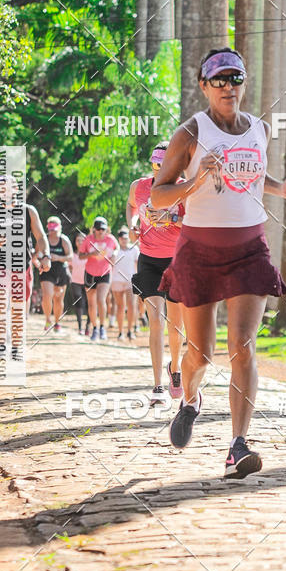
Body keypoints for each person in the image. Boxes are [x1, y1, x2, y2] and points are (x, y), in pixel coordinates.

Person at [151, 47, 286, 477]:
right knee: (199, 355)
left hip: (248, 248)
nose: (228, 87)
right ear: (203, 86)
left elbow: (255, 180)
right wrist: (196, 179)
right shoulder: (189, 132)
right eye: (218, 80)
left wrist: (284, 189)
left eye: (235, 78)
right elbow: (158, 194)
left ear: (243, 84)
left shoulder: (258, 128)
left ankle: (238, 445)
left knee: (243, 345)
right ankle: (190, 398)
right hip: (199, 251)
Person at [127, 142, 185, 405]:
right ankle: (157, 386)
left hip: (176, 261)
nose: (158, 170)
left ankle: (176, 368)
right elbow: (131, 207)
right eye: (155, 165)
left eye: (164, 166)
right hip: (148, 260)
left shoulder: (184, 189)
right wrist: (131, 226)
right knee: (156, 322)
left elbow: (197, 221)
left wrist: (171, 220)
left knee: (175, 326)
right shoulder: (139, 187)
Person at [0, 176, 51, 355]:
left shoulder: (28, 211)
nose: (3, 191)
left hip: (22, 266)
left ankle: (16, 347)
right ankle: (2, 345)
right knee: (1, 305)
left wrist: (46, 256)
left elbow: (40, 237)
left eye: (7, 187)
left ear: (16, 189)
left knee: (18, 306)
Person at [79, 216, 117, 341]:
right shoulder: (88, 240)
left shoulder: (111, 239)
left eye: (103, 229)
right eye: (98, 229)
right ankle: (94, 327)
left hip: (105, 273)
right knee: (91, 303)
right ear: (94, 229)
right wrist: (91, 254)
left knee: (101, 300)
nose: (101, 231)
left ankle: (102, 327)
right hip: (90, 273)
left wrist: (114, 256)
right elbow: (80, 255)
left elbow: (116, 250)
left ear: (107, 230)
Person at [39, 216, 72, 333]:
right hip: (47, 271)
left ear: (60, 228)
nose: (52, 230)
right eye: (50, 227)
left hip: (61, 271)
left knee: (58, 299)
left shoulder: (64, 240)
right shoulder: (44, 240)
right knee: (47, 295)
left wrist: (58, 257)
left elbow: (70, 257)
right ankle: (48, 319)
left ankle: (57, 322)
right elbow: (36, 254)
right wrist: (39, 262)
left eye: (55, 227)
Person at [111, 227, 139, 341]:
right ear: (119, 239)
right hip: (117, 280)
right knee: (120, 307)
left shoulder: (134, 249)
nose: (124, 240)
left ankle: (130, 330)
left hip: (130, 280)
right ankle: (120, 331)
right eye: (122, 238)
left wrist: (139, 279)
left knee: (132, 305)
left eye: (126, 238)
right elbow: (111, 263)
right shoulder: (115, 251)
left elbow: (137, 265)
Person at [70, 232, 89, 335]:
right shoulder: (72, 255)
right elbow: (69, 267)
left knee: (89, 304)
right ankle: (80, 326)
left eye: (82, 240)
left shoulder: (89, 254)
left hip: (88, 281)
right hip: (75, 281)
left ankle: (88, 327)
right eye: (78, 240)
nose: (80, 242)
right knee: (79, 303)